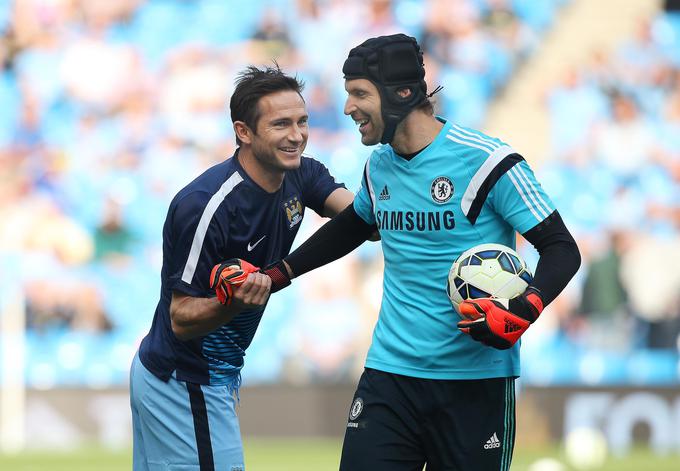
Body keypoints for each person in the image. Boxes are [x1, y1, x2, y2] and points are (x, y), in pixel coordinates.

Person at [259, 34, 581, 470]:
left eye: (358, 93)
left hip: (475, 381)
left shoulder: (489, 162)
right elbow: (356, 223)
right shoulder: (379, 165)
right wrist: (280, 273)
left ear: (402, 94)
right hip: (390, 376)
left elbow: (561, 248)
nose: (348, 108)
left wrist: (527, 307)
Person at [129, 64, 353, 471]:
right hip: (185, 379)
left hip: (210, 374)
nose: (297, 135)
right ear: (244, 132)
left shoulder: (302, 174)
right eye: (281, 124)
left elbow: (360, 220)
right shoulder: (206, 205)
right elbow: (181, 318)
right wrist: (233, 302)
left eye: (302, 122)